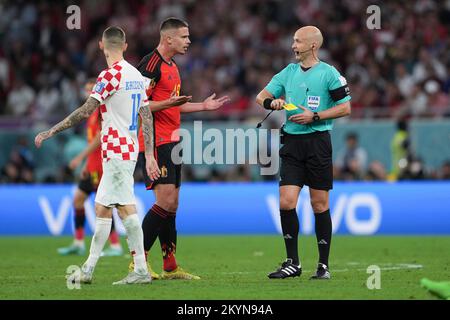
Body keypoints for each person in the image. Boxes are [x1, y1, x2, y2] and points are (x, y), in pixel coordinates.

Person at [35, 26, 160, 284]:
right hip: (127, 149)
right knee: (102, 207)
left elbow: (85, 111)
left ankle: (139, 270)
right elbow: (146, 116)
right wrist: (148, 154)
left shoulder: (110, 75)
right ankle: (90, 269)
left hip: (115, 150)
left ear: (101, 46)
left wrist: (52, 130)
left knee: (125, 208)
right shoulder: (136, 75)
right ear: (124, 46)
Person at [131, 17, 229, 280]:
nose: (189, 41)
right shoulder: (150, 65)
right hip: (156, 142)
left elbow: (172, 103)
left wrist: (202, 107)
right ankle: (137, 263)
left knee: (172, 205)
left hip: (172, 140)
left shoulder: (173, 66)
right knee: (164, 201)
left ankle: (170, 266)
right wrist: (149, 153)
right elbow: (139, 106)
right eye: (184, 36)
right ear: (168, 38)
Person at [256, 26, 351, 279]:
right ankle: (293, 262)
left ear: (312, 45)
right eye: (293, 40)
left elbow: (345, 108)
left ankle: (323, 265)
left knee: (319, 204)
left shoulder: (329, 74)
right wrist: (271, 102)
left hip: (318, 142)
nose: (293, 45)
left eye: (297, 41)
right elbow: (261, 96)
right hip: (292, 143)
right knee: (286, 201)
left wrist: (315, 116)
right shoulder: (288, 72)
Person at [57, 78, 123, 257]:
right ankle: (78, 242)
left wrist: (80, 158)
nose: (87, 94)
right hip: (92, 165)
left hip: (102, 166)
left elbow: (100, 139)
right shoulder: (91, 114)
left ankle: (116, 245)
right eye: (85, 90)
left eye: (90, 90)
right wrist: (87, 163)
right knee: (78, 200)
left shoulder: (102, 111)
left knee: (104, 206)